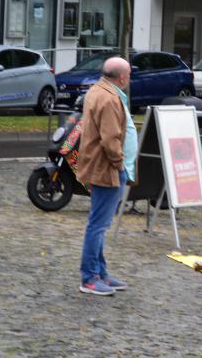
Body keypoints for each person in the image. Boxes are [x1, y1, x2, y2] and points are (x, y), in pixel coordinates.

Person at [76, 56, 138, 296]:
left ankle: (100, 273)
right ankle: (89, 277)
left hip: (107, 168)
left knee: (99, 223)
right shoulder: (109, 98)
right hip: (108, 169)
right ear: (122, 77)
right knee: (98, 225)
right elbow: (110, 139)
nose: (130, 78)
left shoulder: (99, 90)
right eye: (129, 74)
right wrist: (119, 163)